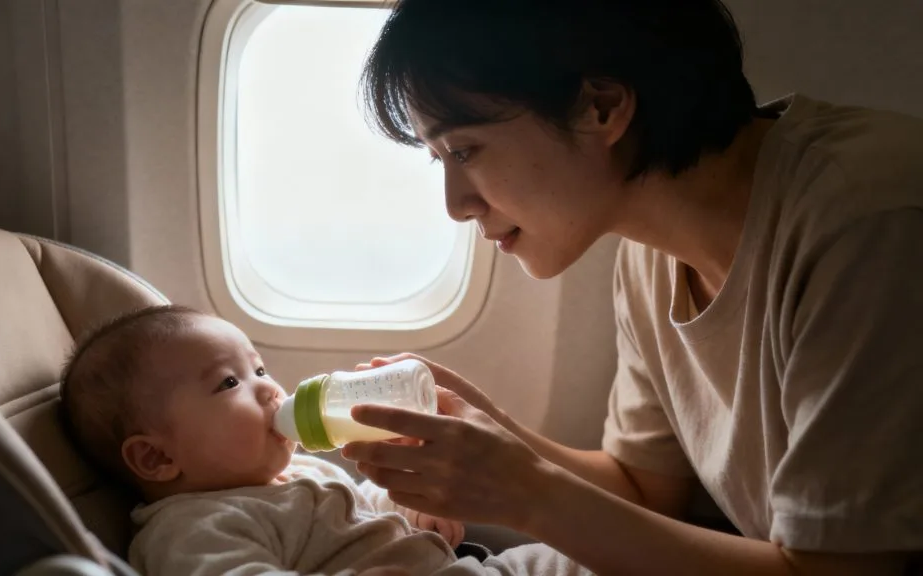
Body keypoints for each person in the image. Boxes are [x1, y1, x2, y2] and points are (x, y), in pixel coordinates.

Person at [340, 0, 923, 574]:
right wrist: (486, 428)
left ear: (601, 108)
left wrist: (528, 493)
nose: (456, 205)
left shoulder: (867, 220)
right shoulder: (649, 254)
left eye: (463, 149)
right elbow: (644, 488)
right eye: (439, 159)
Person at [58, 305, 590, 576]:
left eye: (260, 367)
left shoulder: (298, 473)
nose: (269, 387)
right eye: (229, 382)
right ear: (156, 456)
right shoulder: (193, 527)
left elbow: (364, 511)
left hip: (464, 567)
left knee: (586, 556)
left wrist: (411, 509)